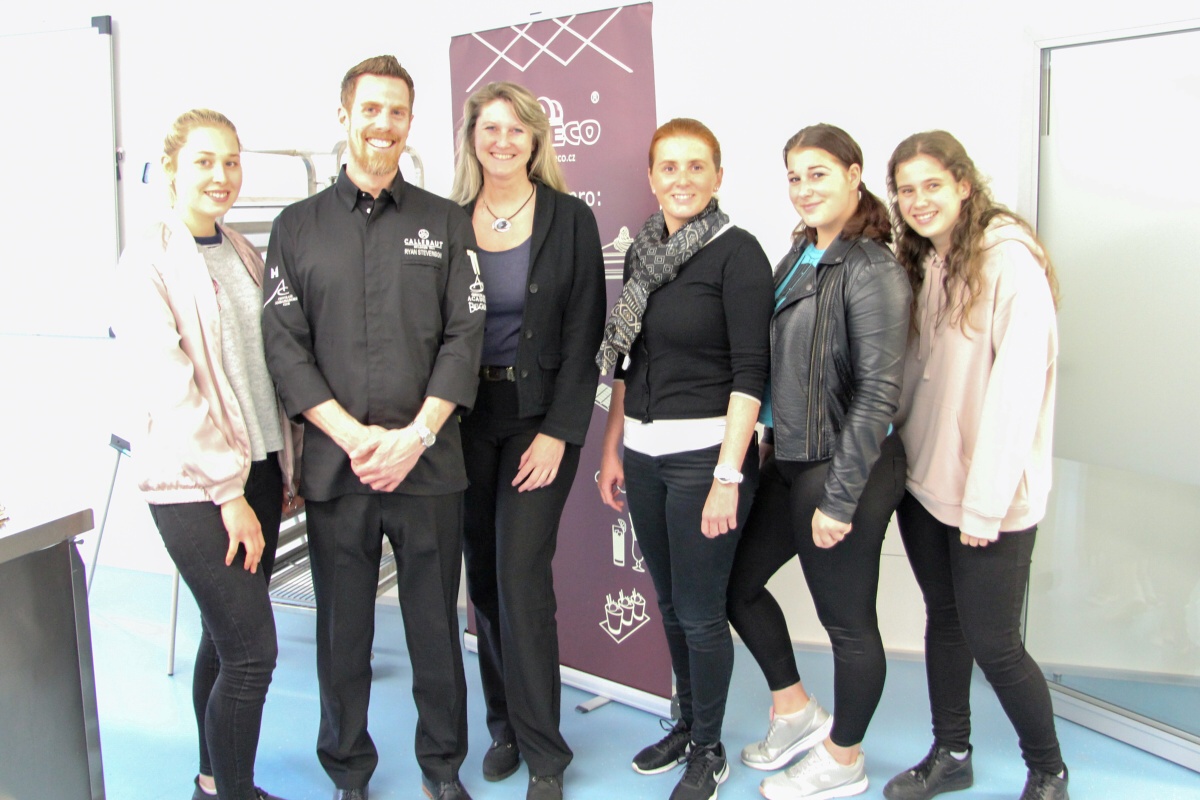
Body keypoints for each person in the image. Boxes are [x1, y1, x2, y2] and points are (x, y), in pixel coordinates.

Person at [261, 56, 485, 800]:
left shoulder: (445, 223)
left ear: (410, 123)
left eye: (397, 111)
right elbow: (284, 346)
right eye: (370, 110)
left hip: (428, 466)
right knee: (342, 633)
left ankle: (442, 769)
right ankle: (348, 771)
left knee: (434, 633)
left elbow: (465, 337)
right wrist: (355, 439)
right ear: (344, 117)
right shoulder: (296, 228)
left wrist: (414, 436)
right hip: (340, 470)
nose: (383, 125)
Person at [724, 123, 911, 800]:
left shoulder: (871, 267)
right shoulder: (803, 252)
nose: (804, 189)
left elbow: (879, 393)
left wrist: (840, 495)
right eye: (794, 177)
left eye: (819, 174)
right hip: (790, 457)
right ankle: (796, 710)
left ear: (854, 176)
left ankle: (844, 757)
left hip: (844, 464)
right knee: (734, 586)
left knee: (848, 625)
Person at [118, 108, 299, 800]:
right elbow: (172, 390)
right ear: (171, 168)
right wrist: (228, 493)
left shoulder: (242, 250)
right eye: (203, 160)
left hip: (257, 468)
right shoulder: (149, 260)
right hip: (198, 485)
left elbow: (262, 364)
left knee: (223, 638)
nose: (221, 175)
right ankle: (233, 792)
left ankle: (211, 781)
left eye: (230, 160)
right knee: (252, 653)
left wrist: (280, 464)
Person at [883, 130, 1067, 800]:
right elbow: (914, 375)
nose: (919, 200)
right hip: (926, 484)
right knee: (946, 620)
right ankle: (951, 753)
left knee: (995, 642)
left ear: (964, 184)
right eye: (907, 190)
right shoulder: (923, 260)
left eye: (933, 184)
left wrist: (985, 507)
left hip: (989, 498)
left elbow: (1017, 396)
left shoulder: (1009, 261)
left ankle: (1048, 770)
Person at [596, 118, 773, 800]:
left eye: (697, 166)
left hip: (705, 459)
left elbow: (751, 374)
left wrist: (728, 475)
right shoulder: (644, 251)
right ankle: (688, 723)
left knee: (700, 612)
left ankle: (708, 748)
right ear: (651, 177)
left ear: (719, 176)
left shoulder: (738, 253)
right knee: (670, 604)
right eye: (669, 167)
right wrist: (613, 448)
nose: (682, 179)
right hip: (643, 456)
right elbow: (628, 361)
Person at [447, 82, 606, 800]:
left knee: (519, 576)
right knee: (482, 578)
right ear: (473, 139)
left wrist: (558, 433)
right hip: (465, 417)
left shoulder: (570, 218)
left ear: (537, 139)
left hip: (538, 417)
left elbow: (585, 333)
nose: (503, 141)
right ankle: (504, 725)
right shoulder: (448, 221)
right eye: (491, 128)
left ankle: (546, 753)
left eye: (517, 129)